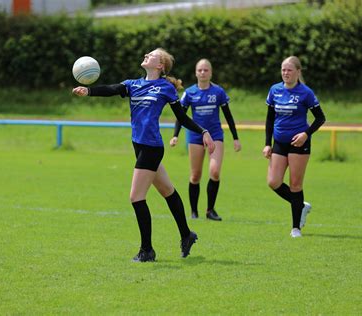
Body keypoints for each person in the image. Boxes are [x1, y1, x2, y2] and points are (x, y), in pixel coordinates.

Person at [72, 48, 215, 262]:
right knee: (167, 190)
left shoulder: (165, 88)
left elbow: (182, 118)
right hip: (138, 146)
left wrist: (203, 131)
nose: (146, 55)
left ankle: (147, 250)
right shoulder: (133, 85)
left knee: (136, 197)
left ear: (160, 66)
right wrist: (89, 91)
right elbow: (112, 89)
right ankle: (187, 234)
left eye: (152, 54)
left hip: (152, 148)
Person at [170, 59, 241, 221]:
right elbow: (181, 116)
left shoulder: (218, 92)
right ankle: (194, 212)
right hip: (195, 136)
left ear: (211, 73)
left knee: (215, 172)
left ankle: (210, 210)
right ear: (195, 73)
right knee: (195, 176)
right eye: (200, 70)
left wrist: (235, 138)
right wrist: (175, 135)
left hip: (215, 135)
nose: (203, 73)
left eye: (206, 70)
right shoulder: (189, 92)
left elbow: (228, 116)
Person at [262, 56, 325, 238]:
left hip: (299, 144)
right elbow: (269, 119)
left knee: (296, 184)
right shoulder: (275, 90)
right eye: (283, 70)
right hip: (279, 142)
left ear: (298, 71)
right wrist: (267, 143)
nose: (286, 73)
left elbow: (320, 118)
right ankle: (301, 205)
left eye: (289, 70)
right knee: (273, 181)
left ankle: (295, 228)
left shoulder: (306, 93)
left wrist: (306, 134)